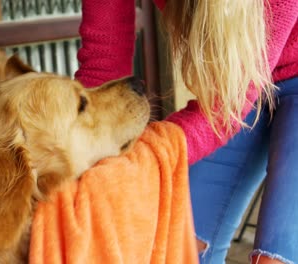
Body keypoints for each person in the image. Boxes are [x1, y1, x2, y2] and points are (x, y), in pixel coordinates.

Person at [74, 0, 298, 263]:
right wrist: (83, 160)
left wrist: (144, 157)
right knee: (179, 249)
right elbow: (104, 68)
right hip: (234, 85)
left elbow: (226, 108)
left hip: (243, 92)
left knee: (273, 259)